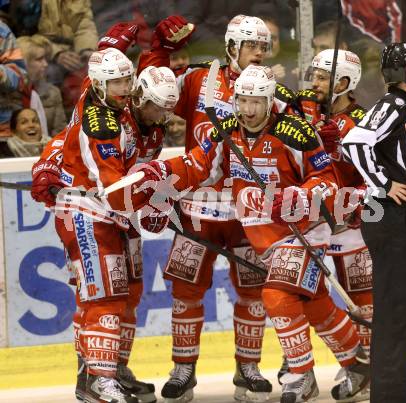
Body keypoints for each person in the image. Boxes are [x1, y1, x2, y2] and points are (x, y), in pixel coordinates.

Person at [133, 64, 369, 403]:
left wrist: (300, 196)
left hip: (305, 230)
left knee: (275, 296)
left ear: (270, 101)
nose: (248, 109)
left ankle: (300, 375)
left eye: (257, 102)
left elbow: (327, 179)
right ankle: (358, 361)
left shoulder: (295, 132)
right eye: (242, 100)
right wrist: (161, 174)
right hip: (266, 238)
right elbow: (199, 166)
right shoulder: (227, 130)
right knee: (314, 303)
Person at [137, 14, 283, 402]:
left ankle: (248, 369)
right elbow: (153, 91)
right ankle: (183, 370)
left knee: (253, 291)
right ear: (232, 46)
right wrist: (158, 52)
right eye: (252, 45)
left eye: (264, 47)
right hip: (198, 206)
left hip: (247, 210)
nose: (259, 54)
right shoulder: (199, 79)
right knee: (186, 290)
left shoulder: (269, 88)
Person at [31, 61, 182, 403]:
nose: (159, 114)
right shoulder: (103, 119)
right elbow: (114, 188)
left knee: (130, 292)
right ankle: (98, 379)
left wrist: (153, 200)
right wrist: (152, 205)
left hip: (117, 214)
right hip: (87, 210)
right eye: (155, 106)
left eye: (125, 81)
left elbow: (132, 179)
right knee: (103, 295)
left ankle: (111, 368)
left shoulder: (150, 124)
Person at [342, 42, 406, 403]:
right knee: (398, 314)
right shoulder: (394, 106)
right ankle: (391, 396)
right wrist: (384, 183)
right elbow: (355, 143)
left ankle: (395, 391)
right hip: (392, 217)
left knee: (404, 314)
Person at [292, 48, 371, 402]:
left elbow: (375, 178)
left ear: (343, 82)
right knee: (313, 297)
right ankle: (325, 363)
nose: (315, 83)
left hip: (351, 228)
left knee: (362, 300)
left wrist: (342, 151)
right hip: (317, 226)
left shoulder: (363, 122)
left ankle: (373, 367)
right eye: (315, 76)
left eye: (323, 78)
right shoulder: (310, 112)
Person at [17, 35, 67, 136]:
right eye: (39, 59)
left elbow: (60, 133)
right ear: (24, 62)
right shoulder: (8, 94)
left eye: (45, 59)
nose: (45, 64)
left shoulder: (53, 93)